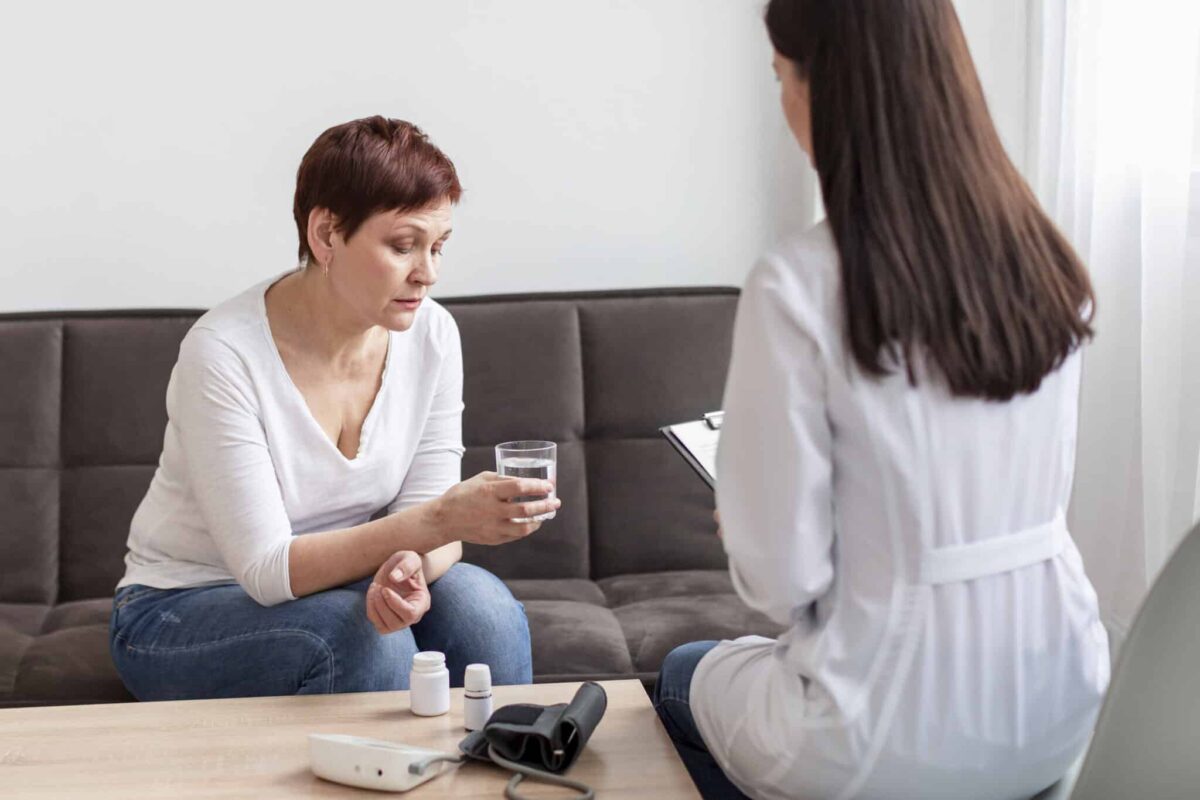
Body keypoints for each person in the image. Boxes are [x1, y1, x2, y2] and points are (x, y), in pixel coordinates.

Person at [653, 1, 1109, 798]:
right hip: (1059, 702)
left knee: (683, 674)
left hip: (880, 730)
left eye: (781, 78)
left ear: (826, 89)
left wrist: (744, 520)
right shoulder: (1046, 261)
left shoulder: (798, 284)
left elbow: (782, 583)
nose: (783, 102)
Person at [109, 116, 559, 700]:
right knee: (363, 638)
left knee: (483, 609)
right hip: (182, 607)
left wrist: (405, 571)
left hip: (344, 584)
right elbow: (268, 570)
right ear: (326, 235)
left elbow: (430, 519)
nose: (428, 273)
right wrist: (440, 522)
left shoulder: (432, 335)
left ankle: (509, 758)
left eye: (438, 247)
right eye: (403, 246)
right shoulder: (223, 353)